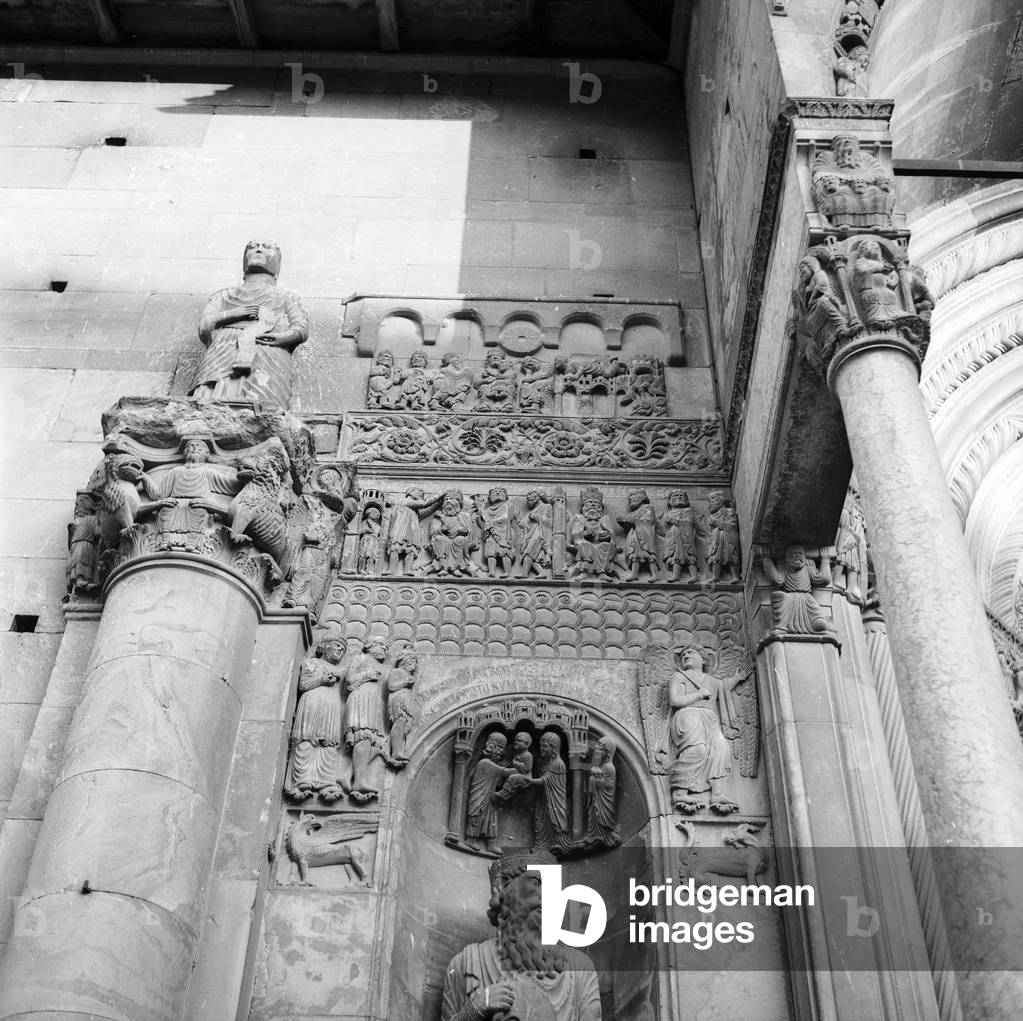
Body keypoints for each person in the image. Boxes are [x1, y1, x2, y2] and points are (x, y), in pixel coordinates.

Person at [441, 850, 602, 1021]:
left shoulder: (580, 970)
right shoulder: (467, 964)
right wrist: (475, 1009)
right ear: (504, 888)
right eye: (536, 882)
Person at [190, 239, 308, 406]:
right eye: (252, 248)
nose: (258, 250)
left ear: (277, 264)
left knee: (263, 401)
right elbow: (205, 326)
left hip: (266, 350)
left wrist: (281, 338)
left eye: (266, 248)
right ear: (245, 261)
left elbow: (300, 328)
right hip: (224, 349)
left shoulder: (286, 297)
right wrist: (234, 313)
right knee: (210, 398)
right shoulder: (224, 295)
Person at [667, 645, 747, 815]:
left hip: (710, 718)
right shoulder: (679, 676)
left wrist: (737, 678)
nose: (686, 656)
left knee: (721, 749)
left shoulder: (710, 680)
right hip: (689, 715)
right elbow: (674, 700)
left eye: (691, 653)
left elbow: (723, 687)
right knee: (697, 750)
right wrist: (698, 695)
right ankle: (680, 793)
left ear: (703, 659)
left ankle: (717, 794)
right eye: (683, 654)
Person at [284, 631, 347, 802]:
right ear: (325, 647)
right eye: (337, 646)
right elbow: (303, 685)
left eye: (343, 649)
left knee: (330, 741)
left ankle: (326, 780)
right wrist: (321, 679)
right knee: (308, 737)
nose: (340, 650)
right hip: (312, 703)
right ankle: (302, 778)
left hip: (333, 707)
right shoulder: (312, 663)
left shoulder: (342, 670)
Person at [465, 732, 517, 854]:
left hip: (489, 797)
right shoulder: (485, 763)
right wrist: (521, 768)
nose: (501, 753)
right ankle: (471, 839)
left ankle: (491, 844)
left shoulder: (490, 764)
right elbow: (505, 772)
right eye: (500, 749)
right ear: (494, 748)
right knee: (477, 816)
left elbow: (498, 779)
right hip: (480, 797)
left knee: (491, 819)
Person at [530, 731, 570, 850]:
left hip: (554, 800)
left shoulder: (558, 763)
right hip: (543, 797)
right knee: (539, 818)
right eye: (541, 745)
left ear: (554, 748)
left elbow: (546, 780)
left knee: (552, 820)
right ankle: (541, 844)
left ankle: (558, 844)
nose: (541, 748)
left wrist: (529, 781)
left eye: (545, 746)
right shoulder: (543, 761)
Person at [582, 736, 621, 849]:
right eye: (596, 748)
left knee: (599, 818)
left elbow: (609, 784)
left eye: (600, 749)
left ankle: (604, 837)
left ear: (607, 752)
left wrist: (594, 780)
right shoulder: (601, 766)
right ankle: (593, 836)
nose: (596, 751)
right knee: (592, 815)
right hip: (596, 798)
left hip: (604, 802)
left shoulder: (609, 767)